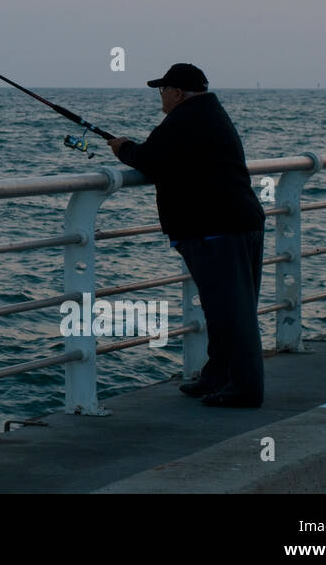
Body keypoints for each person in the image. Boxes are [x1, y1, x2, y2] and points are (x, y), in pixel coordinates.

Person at [106, 64, 266, 408]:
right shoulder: (210, 114)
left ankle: (246, 389)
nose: (160, 97)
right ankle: (217, 376)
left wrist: (122, 148)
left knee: (232, 312)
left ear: (178, 93)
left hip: (218, 230)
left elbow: (150, 159)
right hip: (237, 222)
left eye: (162, 90)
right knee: (223, 309)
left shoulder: (185, 120)